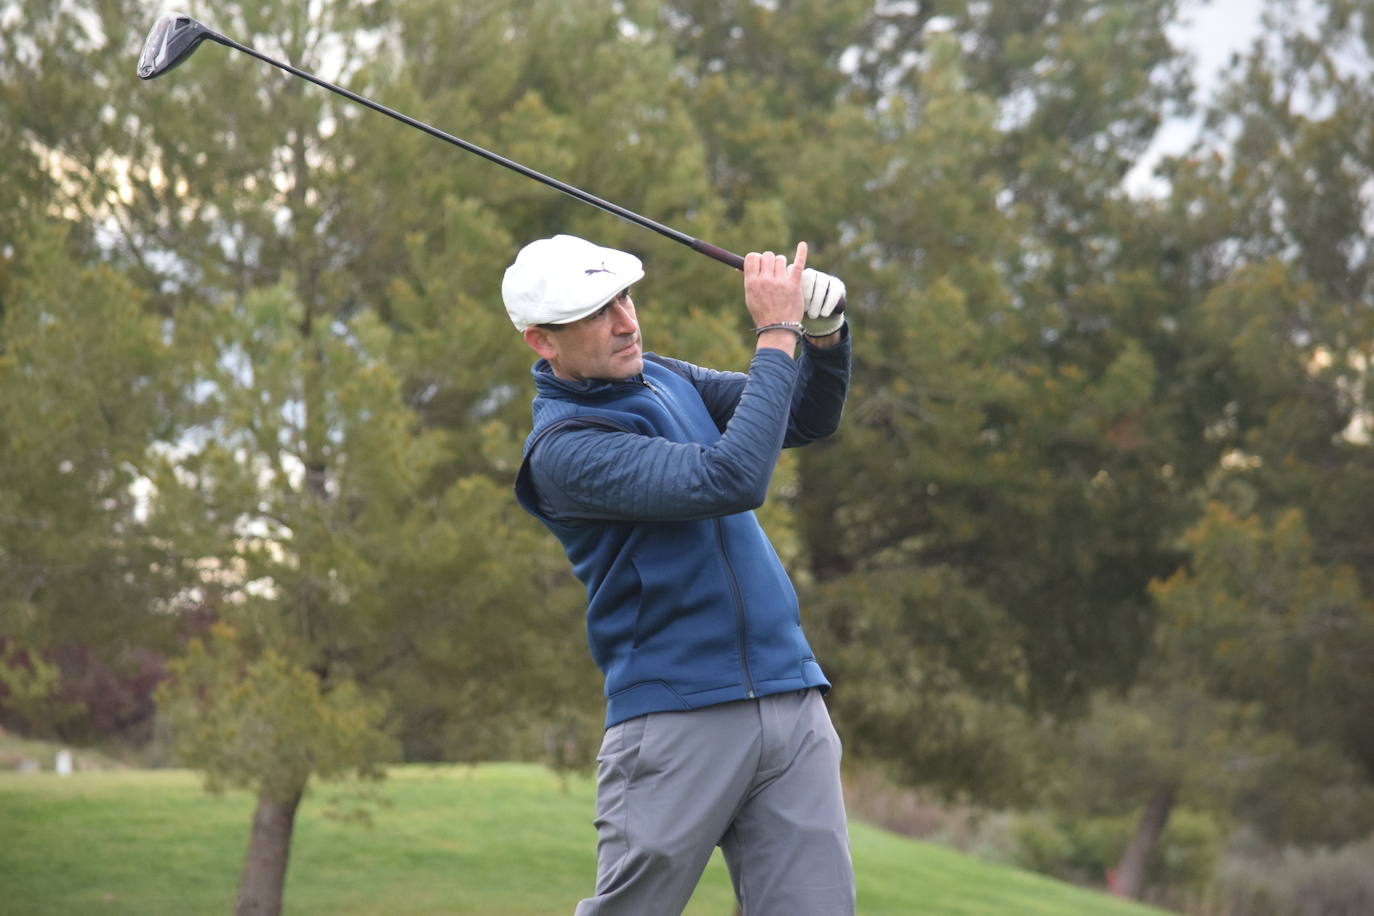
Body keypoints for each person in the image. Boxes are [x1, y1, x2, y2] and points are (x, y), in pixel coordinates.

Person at [504, 233, 854, 916]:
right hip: (676, 715)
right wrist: (776, 329)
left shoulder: (664, 377)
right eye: (596, 313)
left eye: (625, 298)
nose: (627, 322)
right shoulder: (566, 449)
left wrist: (823, 334)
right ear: (542, 342)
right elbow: (730, 478)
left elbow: (802, 416)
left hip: (791, 697)